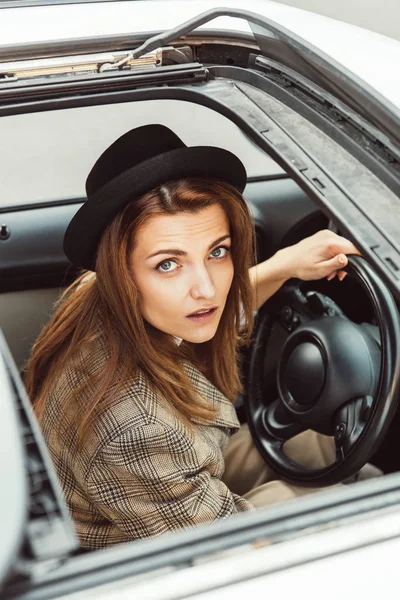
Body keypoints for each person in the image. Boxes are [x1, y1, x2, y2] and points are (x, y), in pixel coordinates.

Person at [26, 124, 368, 550]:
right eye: (168, 264)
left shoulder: (99, 299)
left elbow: (218, 309)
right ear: (121, 274)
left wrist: (284, 265)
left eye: (217, 252)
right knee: (367, 504)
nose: (207, 289)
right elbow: (229, 554)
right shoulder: (134, 428)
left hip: (186, 461)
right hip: (155, 550)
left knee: (326, 451)